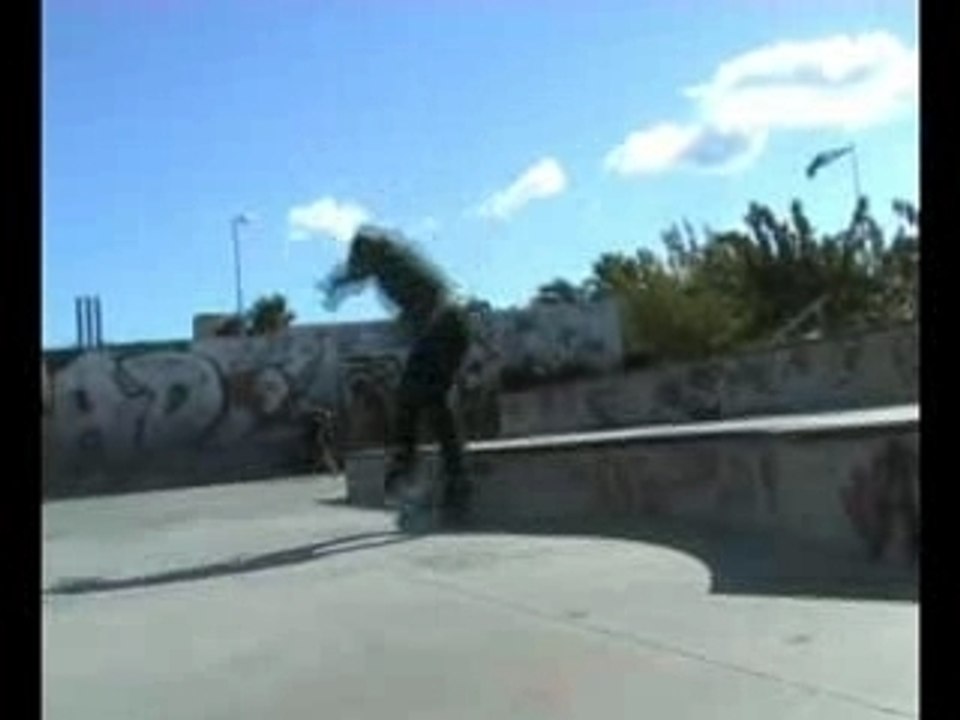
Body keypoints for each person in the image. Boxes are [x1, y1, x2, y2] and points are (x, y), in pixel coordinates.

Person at [320, 225, 473, 519]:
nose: (362, 275)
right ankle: (443, 478)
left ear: (372, 257)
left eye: (363, 265)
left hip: (445, 326)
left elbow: (433, 298)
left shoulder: (395, 267)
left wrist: (415, 327)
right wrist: (337, 284)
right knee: (430, 401)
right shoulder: (386, 261)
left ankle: (416, 472)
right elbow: (356, 274)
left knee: (417, 397)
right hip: (444, 328)